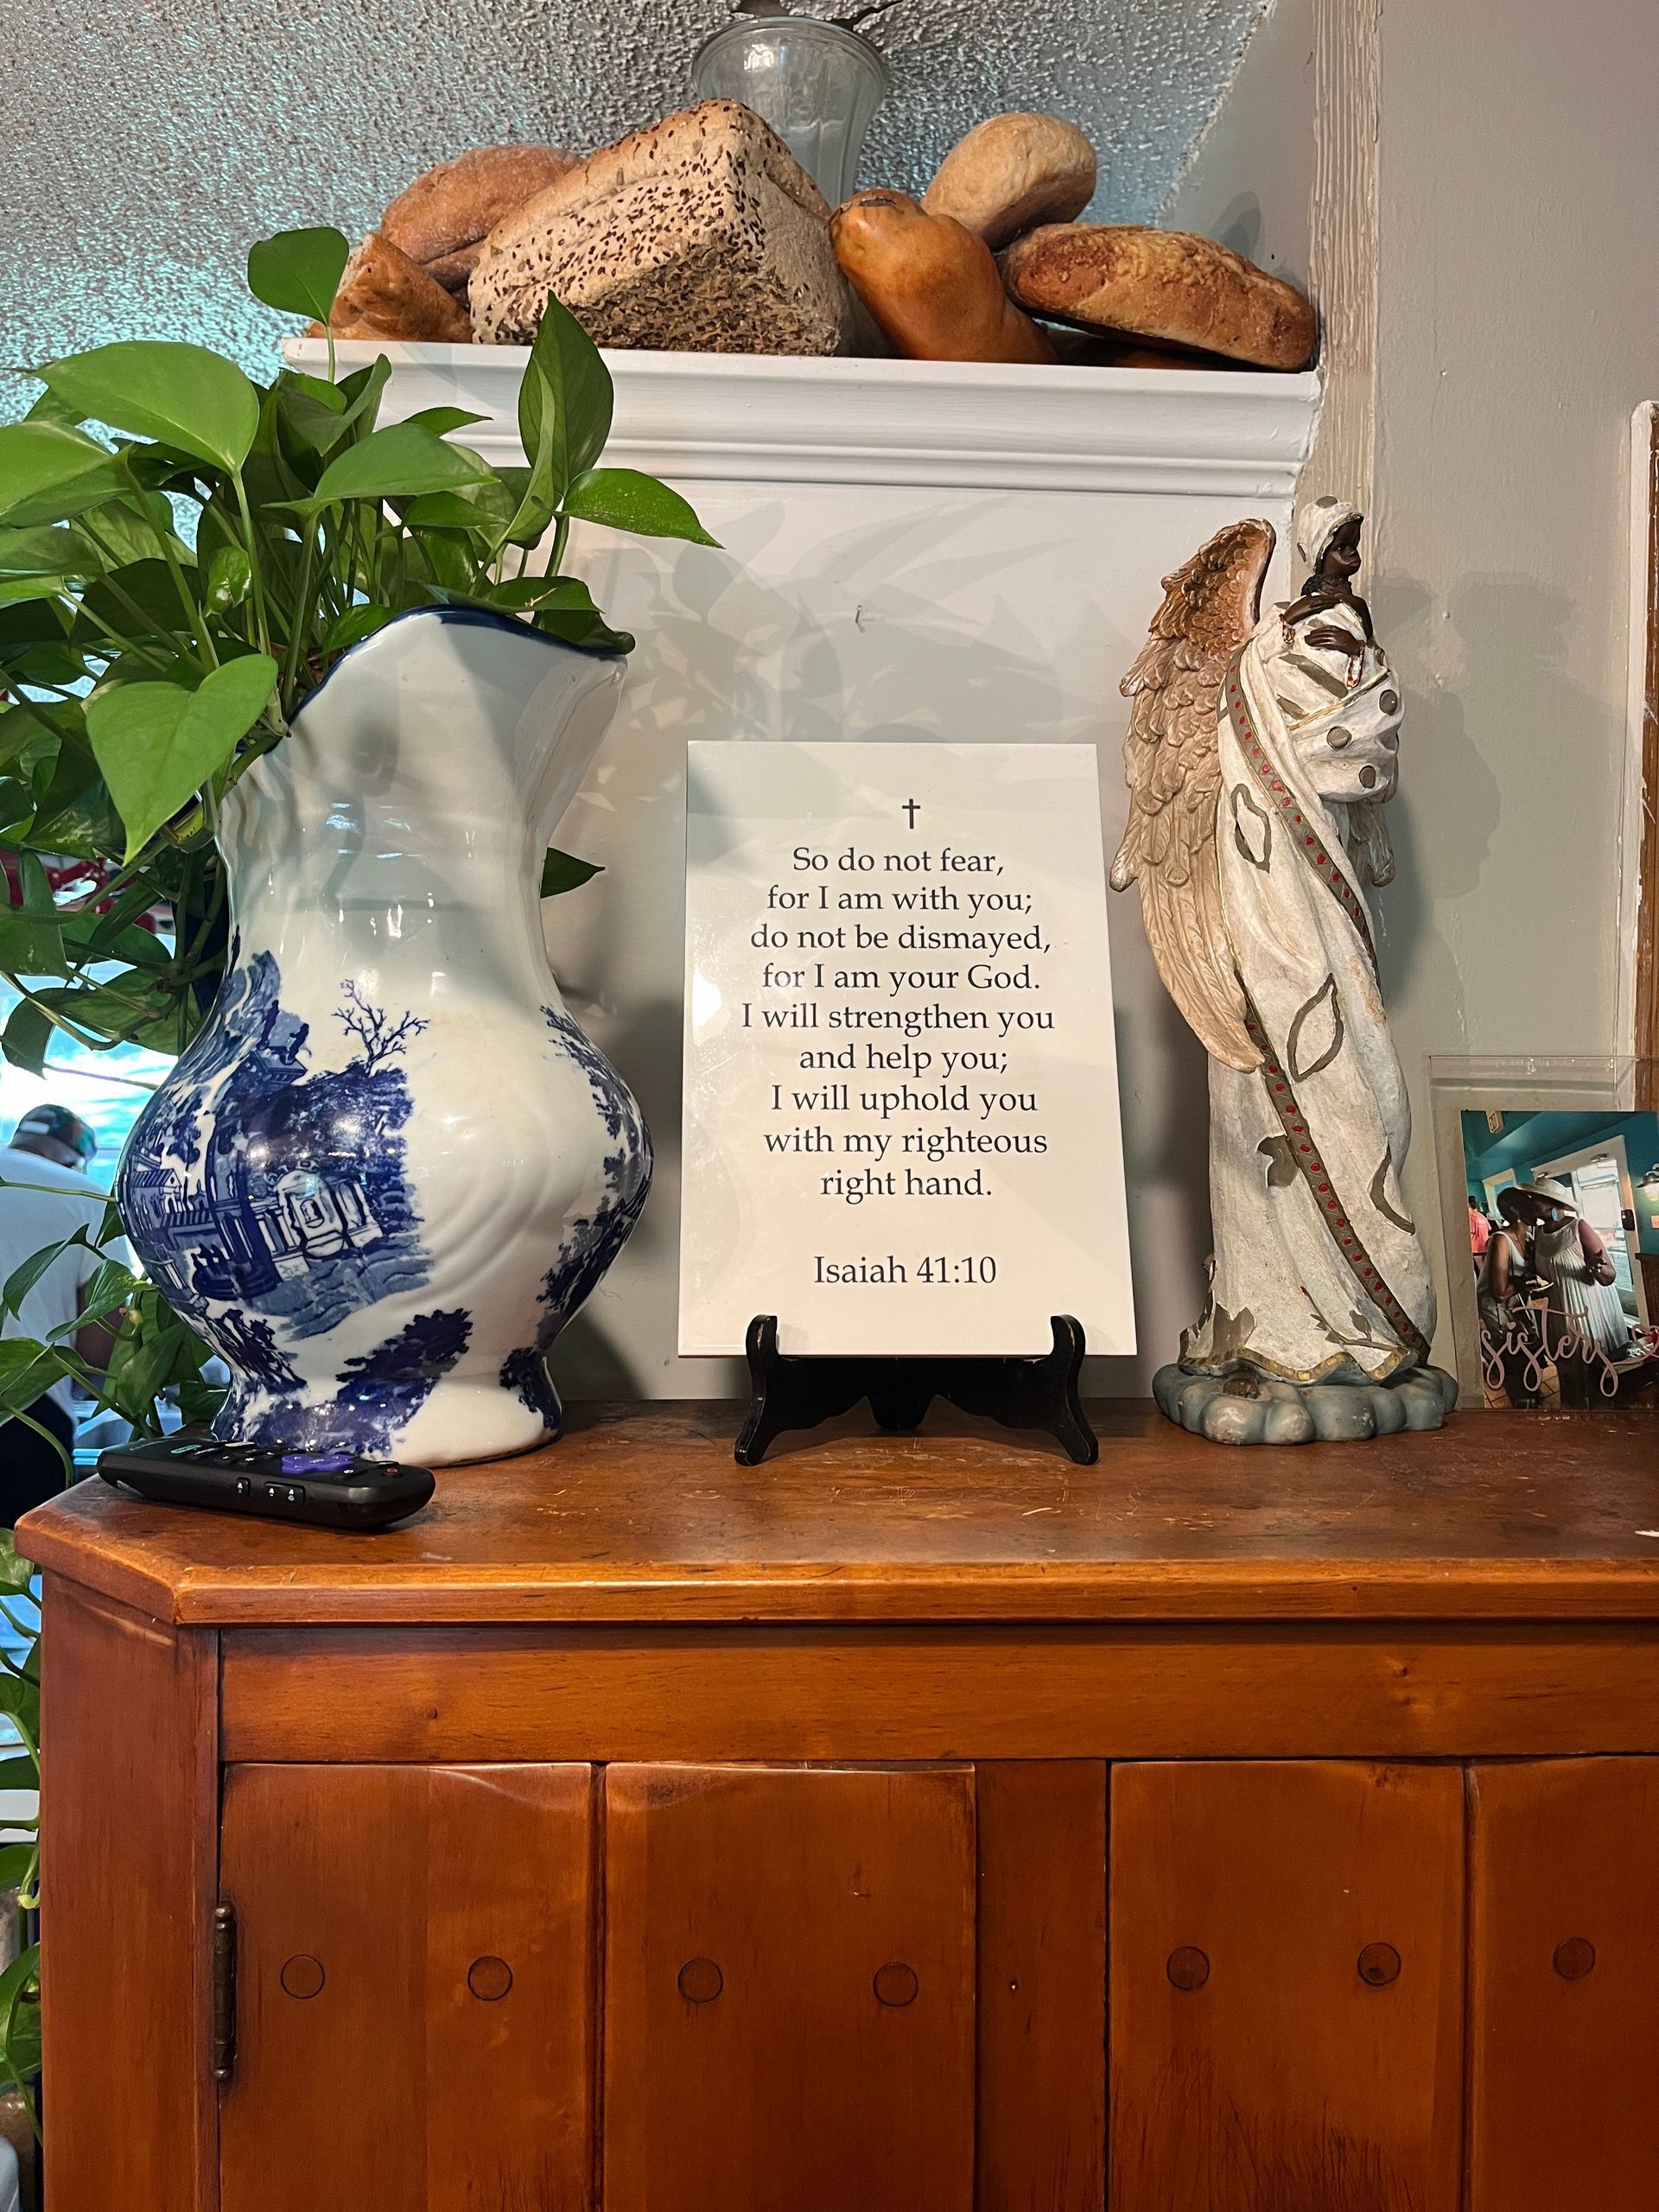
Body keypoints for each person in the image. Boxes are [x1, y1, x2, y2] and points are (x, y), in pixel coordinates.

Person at [0, 1106, 132, 1524]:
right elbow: (100, 1346)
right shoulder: (85, 1196)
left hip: (26, 1414)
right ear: (74, 1157)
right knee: (25, 1578)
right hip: (26, 1418)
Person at [1517, 1177, 1641, 1405]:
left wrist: (1600, 1268)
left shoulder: (1578, 1227)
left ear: (1552, 1202)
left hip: (1588, 1309)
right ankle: (1577, 1416)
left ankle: (1603, 1415)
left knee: (1595, 1370)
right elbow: (1542, 1273)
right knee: (1569, 1368)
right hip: (1559, 1308)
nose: (1532, 1203)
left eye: (1537, 1199)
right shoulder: (1538, 1232)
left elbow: (1609, 1276)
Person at [1477, 1188, 1545, 1408]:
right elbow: (1499, 1292)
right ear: (1515, 1210)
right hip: (1496, 1306)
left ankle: (1531, 1395)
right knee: (1511, 1354)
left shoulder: (1530, 1237)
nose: (1534, 1208)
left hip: (1517, 1302)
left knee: (1527, 1348)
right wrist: (1526, 1281)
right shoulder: (1501, 1240)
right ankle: (1521, 1402)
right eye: (1528, 1204)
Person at [1467, 1192, 1492, 1274]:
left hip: (1475, 1248)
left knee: (1481, 1271)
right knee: (1486, 1269)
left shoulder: (1470, 1217)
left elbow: (1471, 1232)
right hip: (1485, 1245)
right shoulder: (1482, 1216)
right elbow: (1489, 1229)